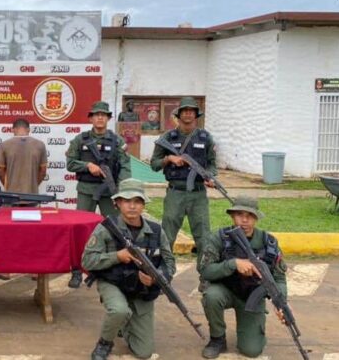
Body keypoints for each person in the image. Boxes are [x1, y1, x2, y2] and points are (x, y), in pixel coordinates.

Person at [82, 179, 175, 360]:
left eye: (137, 201)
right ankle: (104, 342)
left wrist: (157, 277)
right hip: (112, 282)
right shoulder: (106, 229)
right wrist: (117, 256)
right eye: (126, 201)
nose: (132, 206)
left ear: (143, 204)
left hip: (142, 289)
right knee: (119, 310)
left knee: (144, 352)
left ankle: (124, 325)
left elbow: (169, 262)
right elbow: (87, 261)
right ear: (117, 203)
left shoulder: (156, 231)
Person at [198, 196, 289, 359]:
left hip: (252, 298)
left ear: (256, 218)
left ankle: (254, 332)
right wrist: (233, 264)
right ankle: (217, 339)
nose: (244, 220)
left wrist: (281, 303)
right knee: (211, 295)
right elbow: (205, 270)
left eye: (250, 216)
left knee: (252, 350)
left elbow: (279, 279)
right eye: (239, 214)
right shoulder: (219, 238)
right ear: (232, 216)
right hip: (225, 290)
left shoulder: (269, 243)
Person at [66, 100, 131, 288]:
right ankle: (77, 270)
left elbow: (125, 166)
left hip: (109, 192)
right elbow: (70, 163)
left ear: (108, 118)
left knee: (116, 230)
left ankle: (113, 269)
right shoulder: (80, 140)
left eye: (103, 115)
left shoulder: (117, 141)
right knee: (79, 230)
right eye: (96, 114)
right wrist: (88, 165)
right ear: (91, 118)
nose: (100, 117)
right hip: (87, 190)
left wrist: (122, 189)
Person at [150, 96, 216, 251]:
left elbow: (212, 164)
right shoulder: (167, 138)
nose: (187, 114)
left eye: (191, 111)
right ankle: (162, 271)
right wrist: (169, 159)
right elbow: (154, 164)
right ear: (179, 115)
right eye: (184, 111)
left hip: (198, 193)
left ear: (196, 115)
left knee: (204, 236)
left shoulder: (205, 138)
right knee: (167, 235)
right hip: (175, 193)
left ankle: (206, 273)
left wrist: (210, 176)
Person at [0, 118, 47, 279]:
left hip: (11, 198)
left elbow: (1, 172)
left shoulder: (5, 145)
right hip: (32, 197)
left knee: (9, 234)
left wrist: (9, 187)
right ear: (29, 129)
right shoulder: (40, 145)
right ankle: (34, 270)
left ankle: (6, 269)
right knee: (33, 235)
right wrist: (32, 186)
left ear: (13, 129)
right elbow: (43, 172)